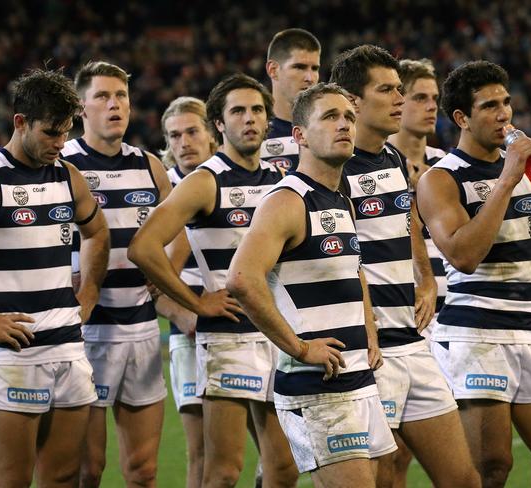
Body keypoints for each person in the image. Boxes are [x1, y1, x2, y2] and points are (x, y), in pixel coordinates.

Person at [416, 60, 531, 487]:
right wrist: (506, 177)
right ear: (461, 118)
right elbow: (463, 255)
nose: (504, 114)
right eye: (489, 106)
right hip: (474, 337)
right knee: (491, 469)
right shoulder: (439, 179)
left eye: (506, 103)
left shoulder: (524, 175)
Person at [128, 73, 297, 488]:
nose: (249, 119)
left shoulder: (279, 180)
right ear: (219, 125)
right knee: (221, 472)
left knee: (284, 469)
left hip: (278, 335)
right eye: (237, 111)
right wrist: (196, 302)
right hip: (229, 338)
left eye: (257, 110)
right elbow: (143, 247)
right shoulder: (205, 180)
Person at [226, 81, 396, 487]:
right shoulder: (288, 200)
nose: (345, 125)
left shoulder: (340, 197)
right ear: (299, 135)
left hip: (357, 378)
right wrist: (300, 347)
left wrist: (369, 330)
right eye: (330, 117)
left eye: (349, 117)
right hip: (317, 388)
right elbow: (241, 279)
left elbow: (353, 270)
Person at [330, 45, 479, 488]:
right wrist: (366, 326)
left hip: (412, 340)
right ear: (353, 102)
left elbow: (406, 218)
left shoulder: (393, 158)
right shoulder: (332, 167)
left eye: (400, 89)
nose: (399, 98)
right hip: (368, 350)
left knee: (463, 479)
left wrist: (426, 277)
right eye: (387, 90)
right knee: (385, 478)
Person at [0, 68, 109, 486]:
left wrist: (89, 293)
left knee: (62, 477)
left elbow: (97, 232)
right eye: (50, 133)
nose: (61, 144)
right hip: (14, 355)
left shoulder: (66, 175)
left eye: (66, 133)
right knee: (12, 480)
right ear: (20, 122)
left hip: (68, 348)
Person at [60, 61, 172, 487]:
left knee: (143, 473)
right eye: (103, 97)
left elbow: (181, 228)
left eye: (121, 96)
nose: (114, 105)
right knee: (86, 470)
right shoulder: (63, 164)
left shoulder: (149, 166)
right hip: (86, 335)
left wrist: (166, 273)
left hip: (142, 332)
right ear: (81, 109)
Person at [158, 96, 216, 488]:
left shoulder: (236, 178)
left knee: (273, 451)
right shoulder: (164, 192)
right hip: (190, 337)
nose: (184, 143)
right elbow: (152, 278)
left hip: (251, 332)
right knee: (201, 452)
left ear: (212, 133)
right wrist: (183, 314)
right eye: (174, 136)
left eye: (192, 131)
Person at [388, 59, 447, 319]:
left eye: (435, 98)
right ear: (398, 100)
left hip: (451, 309)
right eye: (420, 98)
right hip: (401, 309)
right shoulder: (378, 167)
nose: (432, 106)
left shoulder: (446, 164)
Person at [260, 28, 321, 172]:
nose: (310, 78)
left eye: (314, 68)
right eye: (299, 67)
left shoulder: (330, 128)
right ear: (273, 70)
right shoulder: (253, 132)